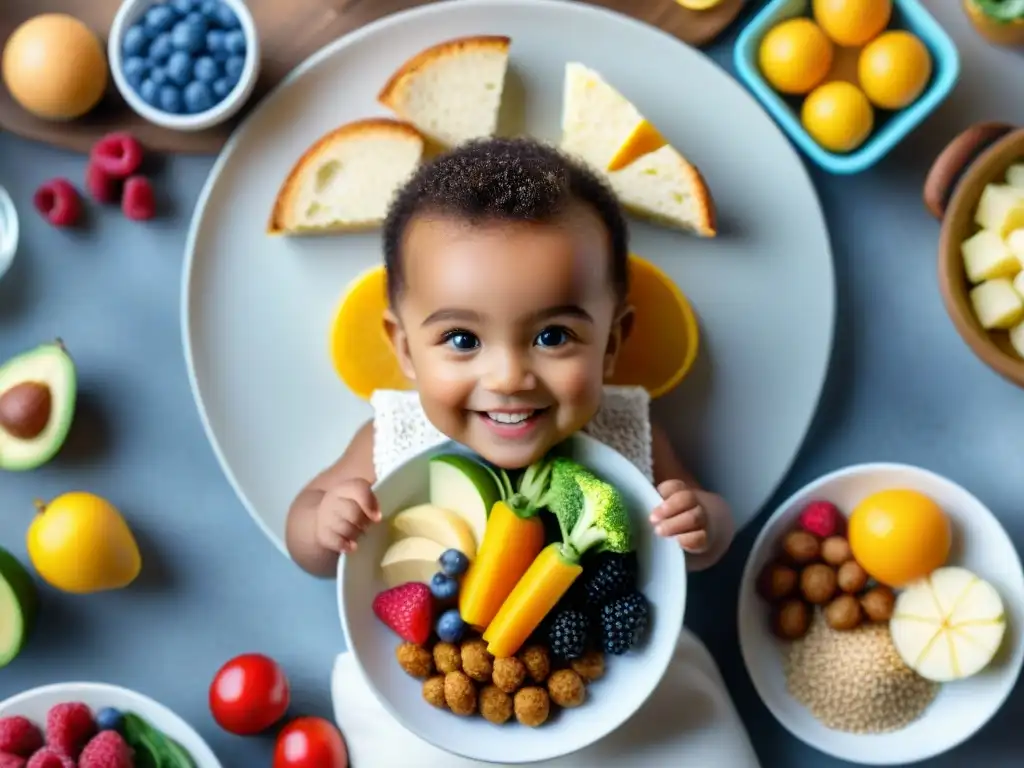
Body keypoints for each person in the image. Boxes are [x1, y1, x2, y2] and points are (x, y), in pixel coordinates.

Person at [285, 137, 735, 578]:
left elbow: (703, 544)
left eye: (553, 336)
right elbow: (307, 541)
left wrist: (702, 526)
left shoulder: (628, 429)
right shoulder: (395, 433)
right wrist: (324, 525)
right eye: (462, 340)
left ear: (611, 345)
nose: (507, 378)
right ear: (405, 348)